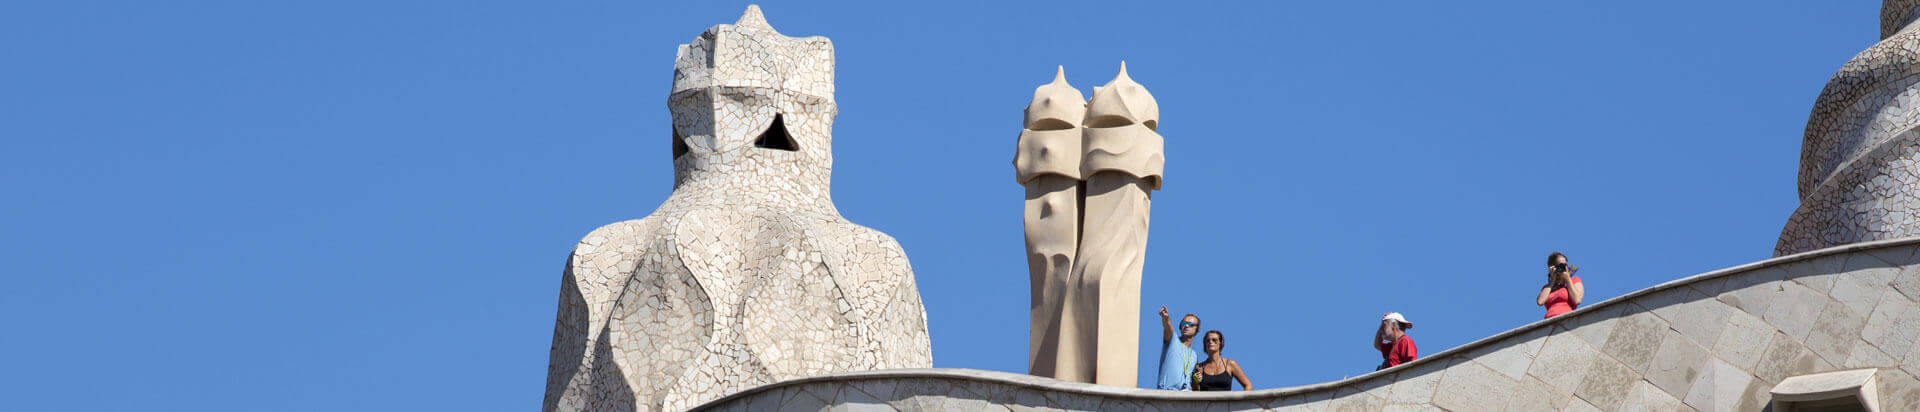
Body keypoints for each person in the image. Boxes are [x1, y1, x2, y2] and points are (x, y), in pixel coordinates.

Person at [1155, 306, 1201, 390]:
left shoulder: (1194, 355)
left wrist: (1197, 380)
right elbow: (1168, 328)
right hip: (1167, 392)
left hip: (1185, 396)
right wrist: (1166, 318)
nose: (1186, 326)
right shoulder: (1173, 339)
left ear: (1197, 329)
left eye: (1190, 324)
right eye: (1184, 323)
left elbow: (1195, 386)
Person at [1535, 251, 1584, 319]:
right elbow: (1540, 302)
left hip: (1567, 318)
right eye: (1559, 265)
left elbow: (1577, 300)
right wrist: (1552, 280)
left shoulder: (1574, 280)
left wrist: (1567, 279)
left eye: (1564, 265)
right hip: (1549, 321)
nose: (1562, 267)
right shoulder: (1548, 287)